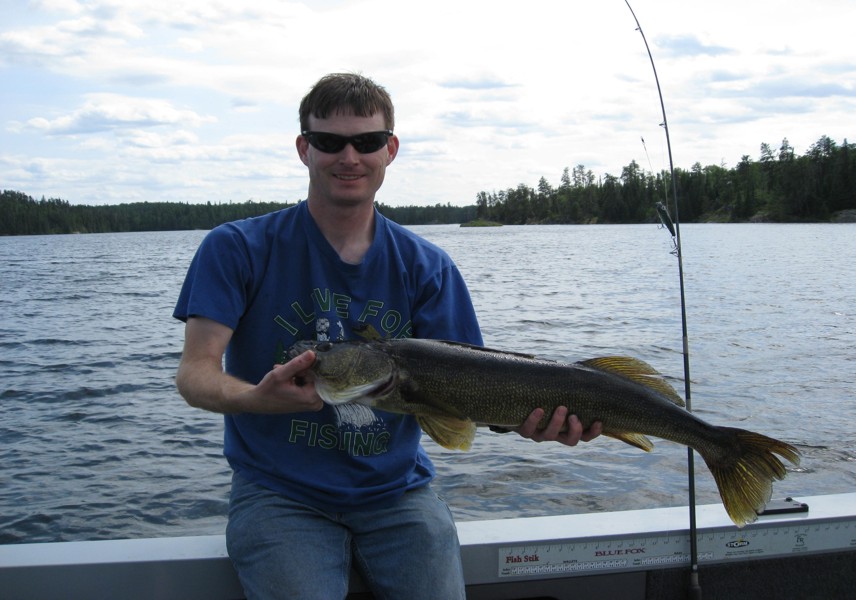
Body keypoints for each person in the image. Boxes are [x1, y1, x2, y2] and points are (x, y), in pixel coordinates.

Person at [173, 72, 603, 600]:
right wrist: (256, 399)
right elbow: (195, 375)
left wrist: (535, 423)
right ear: (304, 149)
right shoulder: (236, 248)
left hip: (398, 493)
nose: (349, 157)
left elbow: (473, 394)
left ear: (390, 149)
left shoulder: (429, 267)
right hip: (279, 494)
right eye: (330, 142)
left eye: (367, 142)